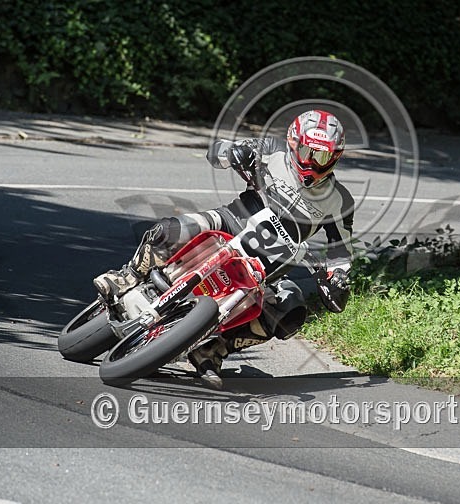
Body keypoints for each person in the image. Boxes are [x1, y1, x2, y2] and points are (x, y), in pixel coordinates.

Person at [93, 110, 355, 389]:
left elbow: (341, 252)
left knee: (290, 311)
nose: (313, 163)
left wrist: (338, 277)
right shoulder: (270, 149)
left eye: (323, 157)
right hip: (229, 222)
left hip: (270, 264)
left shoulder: (340, 201)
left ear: (335, 157)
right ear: (293, 142)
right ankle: (128, 276)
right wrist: (234, 152)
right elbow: (215, 153)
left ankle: (212, 350)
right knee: (170, 229)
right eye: (307, 151)